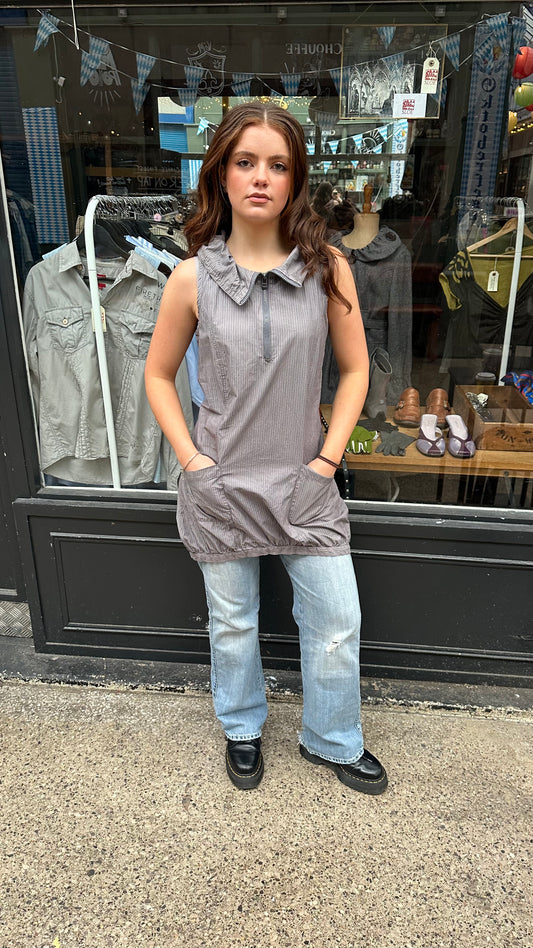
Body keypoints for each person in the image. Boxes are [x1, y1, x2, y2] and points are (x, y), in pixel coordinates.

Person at [144, 102, 387, 795]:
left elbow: (356, 370)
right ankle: (242, 728)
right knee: (231, 622)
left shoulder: (328, 268)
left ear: (296, 179)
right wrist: (193, 462)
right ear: (219, 174)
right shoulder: (191, 278)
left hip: (304, 482)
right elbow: (157, 375)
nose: (260, 178)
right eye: (244, 162)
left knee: (337, 619)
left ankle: (332, 738)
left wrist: (325, 461)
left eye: (277, 165)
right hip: (221, 480)